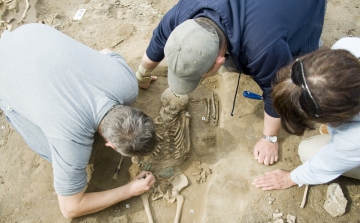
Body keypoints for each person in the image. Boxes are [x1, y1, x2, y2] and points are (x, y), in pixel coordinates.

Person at [135, 0, 326, 165]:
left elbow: (276, 92)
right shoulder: (183, 14)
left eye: (198, 76)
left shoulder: (264, 49)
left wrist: (270, 139)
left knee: (301, 62)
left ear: (220, 61)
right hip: (257, 15)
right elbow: (159, 39)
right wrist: (142, 74)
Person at [0, 23, 157, 218]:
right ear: (111, 145)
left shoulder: (128, 85)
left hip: (29, 33)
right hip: (3, 66)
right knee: (56, 153)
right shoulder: (70, 140)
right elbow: (70, 209)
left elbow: (107, 51)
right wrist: (129, 190)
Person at [252, 36, 360, 190]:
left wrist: (290, 178)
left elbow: (326, 164)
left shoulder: (355, 139)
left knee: (306, 151)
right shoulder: (347, 47)